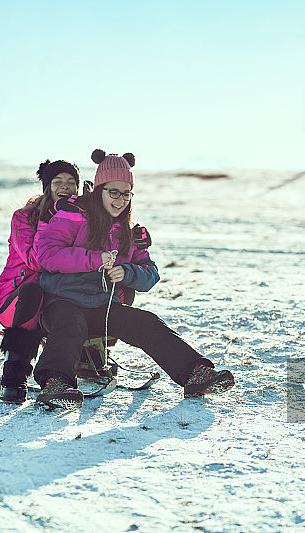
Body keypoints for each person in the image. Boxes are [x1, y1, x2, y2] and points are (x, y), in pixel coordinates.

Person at [33, 149, 235, 410]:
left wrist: (127, 273)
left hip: (101, 307)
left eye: (126, 193)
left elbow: (150, 275)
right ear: (99, 190)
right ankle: (56, 384)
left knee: (144, 321)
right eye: (113, 192)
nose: (120, 200)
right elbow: (47, 254)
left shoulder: (129, 231)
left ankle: (196, 374)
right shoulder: (73, 215)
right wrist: (93, 259)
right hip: (60, 303)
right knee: (70, 323)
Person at [0, 159, 80, 404]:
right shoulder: (24, 217)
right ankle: (13, 379)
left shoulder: (80, 215)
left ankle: (88, 363)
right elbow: (35, 262)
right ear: (47, 187)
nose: (65, 187)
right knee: (33, 291)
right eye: (58, 181)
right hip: (17, 299)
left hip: (54, 294)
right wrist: (47, 221)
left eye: (71, 182)